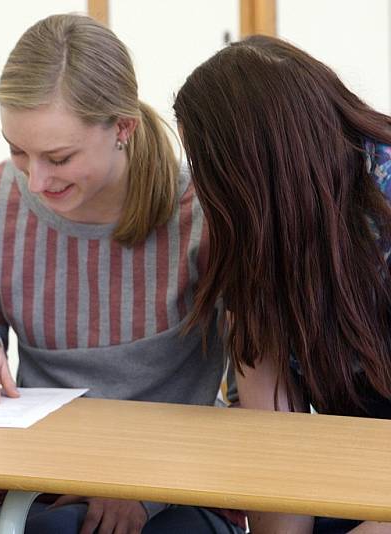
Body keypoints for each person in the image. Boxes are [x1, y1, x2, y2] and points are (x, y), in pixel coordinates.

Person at [0, 13, 244, 534]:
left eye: (58, 157)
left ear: (122, 128)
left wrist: (145, 488)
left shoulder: (202, 213)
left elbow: (250, 402)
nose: (34, 180)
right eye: (16, 150)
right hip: (42, 479)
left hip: (180, 479)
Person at [173, 35, 391, 534]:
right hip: (357, 467)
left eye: (208, 171)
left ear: (255, 173)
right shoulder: (262, 239)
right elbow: (277, 442)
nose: (201, 191)